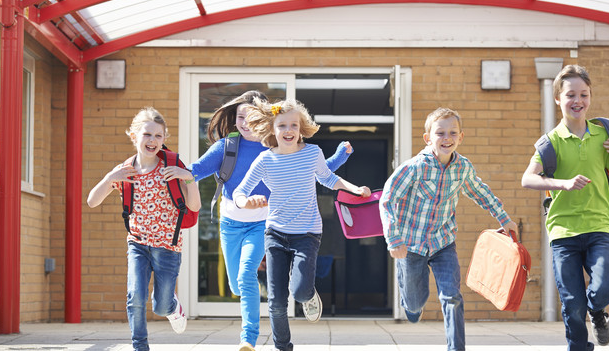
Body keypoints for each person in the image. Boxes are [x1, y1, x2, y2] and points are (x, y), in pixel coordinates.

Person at [187, 91, 353, 351]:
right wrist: (173, 172)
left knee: (247, 276)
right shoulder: (227, 147)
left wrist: (340, 158)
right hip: (230, 221)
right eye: (240, 117)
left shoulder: (274, 146)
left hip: (264, 224)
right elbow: (195, 171)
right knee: (237, 284)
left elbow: (312, 170)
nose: (244, 122)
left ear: (262, 122)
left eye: (250, 117)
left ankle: (249, 338)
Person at [232, 98, 370, 351]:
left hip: (307, 234)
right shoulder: (265, 160)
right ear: (272, 129)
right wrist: (245, 202)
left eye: (293, 125)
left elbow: (328, 178)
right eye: (282, 125)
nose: (288, 131)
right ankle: (283, 347)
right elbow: (240, 192)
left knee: (300, 292)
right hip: (275, 234)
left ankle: (308, 295)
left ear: (301, 127)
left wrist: (355, 188)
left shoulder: (312, 153)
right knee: (275, 301)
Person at [379, 107, 519, 351]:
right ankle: (412, 306)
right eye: (440, 133)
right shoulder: (414, 167)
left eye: (453, 133)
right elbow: (387, 200)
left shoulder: (462, 167)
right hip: (411, 245)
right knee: (414, 303)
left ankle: (456, 348)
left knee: (452, 296)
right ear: (428, 138)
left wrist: (503, 218)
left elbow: (479, 191)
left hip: (443, 243)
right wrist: (393, 239)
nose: (447, 138)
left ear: (461, 137)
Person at [521, 65, 609, 351]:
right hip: (563, 231)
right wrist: (563, 183)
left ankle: (597, 312)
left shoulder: (602, 135)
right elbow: (527, 179)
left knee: (604, 286)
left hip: (599, 225)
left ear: (590, 97)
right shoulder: (551, 142)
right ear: (558, 98)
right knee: (572, 304)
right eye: (570, 94)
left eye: (583, 94)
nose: (577, 100)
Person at [87, 107, 200, 351]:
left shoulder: (171, 165)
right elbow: (92, 201)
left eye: (158, 136)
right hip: (137, 244)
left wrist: (188, 177)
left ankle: (172, 307)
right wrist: (109, 178)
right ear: (134, 135)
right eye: (147, 134)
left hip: (168, 246)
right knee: (135, 297)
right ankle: (140, 346)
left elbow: (194, 206)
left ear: (164, 139)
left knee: (160, 306)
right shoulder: (125, 170)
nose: (153, 141)